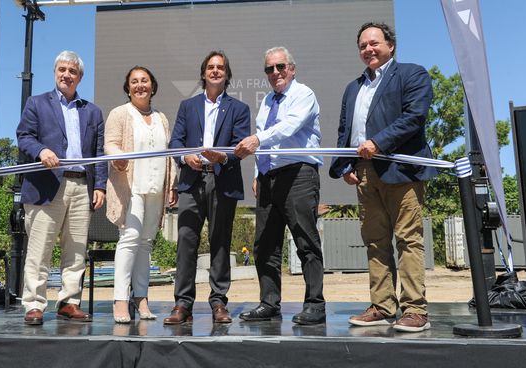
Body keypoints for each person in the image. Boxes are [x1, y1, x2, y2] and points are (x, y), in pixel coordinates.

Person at [329, 22, 436, 332]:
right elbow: (345, 130)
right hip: (365, 174)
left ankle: (415, 310)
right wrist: (345, 165)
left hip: (401, 171)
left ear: (391, 45)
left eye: (374, 43)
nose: (368, 49)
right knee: (375, 242)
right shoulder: (354, 87)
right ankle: (383, 305)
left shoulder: (412, 74)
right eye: (363, 45)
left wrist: (378, 143)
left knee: (407, 239)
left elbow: (414, 117)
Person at [234, 46, 325, 325]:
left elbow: (288, 127)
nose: (275, 73)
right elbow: (262, 138)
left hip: (298, 175)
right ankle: (269, 303)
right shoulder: (267, 102)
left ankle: (315, 305)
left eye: (280, 67)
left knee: (305, 241)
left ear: (292, 69)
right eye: (269, 69)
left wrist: (258, 142)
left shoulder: (303, 95)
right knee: (264, 245)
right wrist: (256, 171)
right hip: (268, 179)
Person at [17, 50, 107, 326]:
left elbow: (99, 152)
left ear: (80, 77)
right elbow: (24, 136)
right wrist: (41, 149)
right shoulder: (36, 103)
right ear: (55, 72)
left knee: (76, 250)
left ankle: (69, 302)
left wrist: (100, 185)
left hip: (82, 185)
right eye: (62, 70)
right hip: (46, 185)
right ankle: (34, 304)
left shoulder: (92, 111)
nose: (67, 74)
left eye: (73, 71)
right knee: (39, 250)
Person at [164, 50, 250, 325]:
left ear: (227, 74)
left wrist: (223, 157)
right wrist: (184, 156)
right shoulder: (187, 106)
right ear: (203, 73)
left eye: (220, 67)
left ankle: (218, 302)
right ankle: (183, 304)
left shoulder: (239, 109)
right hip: (192, 180)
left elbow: (241, 146)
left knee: (221, 243)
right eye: (210, 67)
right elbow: (176, 141)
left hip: (222, 179)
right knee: (186, 243)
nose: (215, 71)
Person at [104, 66, 178, 323]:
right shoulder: (120, 114)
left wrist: (172, 184)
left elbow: (168, 155)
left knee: (146, 244)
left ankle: (141, 298)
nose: (139, 85)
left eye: (144, 81)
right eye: (134, 82)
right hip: (130, 186)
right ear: (128, 87)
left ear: (152, 86)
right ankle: (121, 300)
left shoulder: (161, 118)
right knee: (130, 239)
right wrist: (119, 159)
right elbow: (110, 143)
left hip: (156, 187)